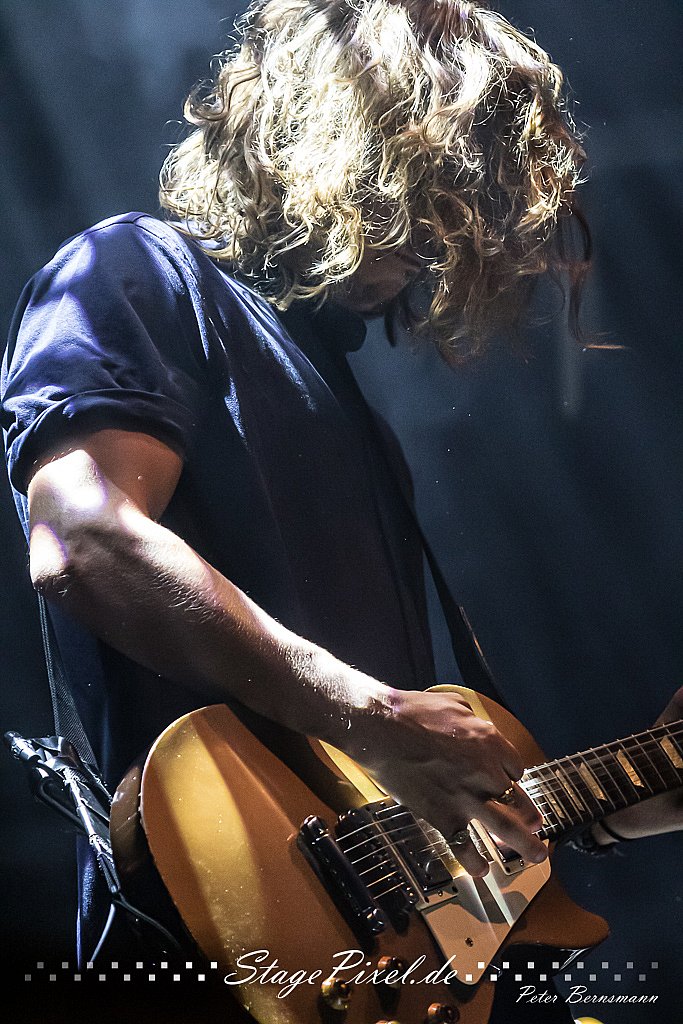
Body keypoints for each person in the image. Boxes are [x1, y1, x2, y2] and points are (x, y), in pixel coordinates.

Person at [2, 1, 681, 1021]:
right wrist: (369, 716)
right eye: (438, 187)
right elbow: (81, 538)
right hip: (202, 934)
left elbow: (387, 808)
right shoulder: (136, 270)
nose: (449, 236)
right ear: (343, 138)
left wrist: (618, 804)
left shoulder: (347, 410)